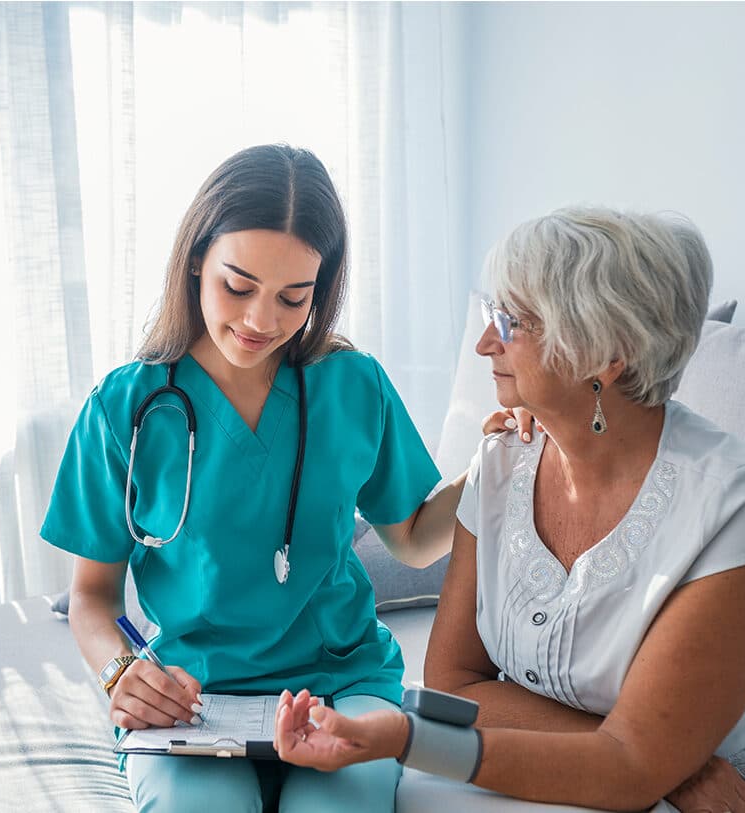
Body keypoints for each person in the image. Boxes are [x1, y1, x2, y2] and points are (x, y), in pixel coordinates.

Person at [40, 144, 527, 812]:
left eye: (294, 297)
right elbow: (93, 595)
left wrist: (489, 464)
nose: (260, 321)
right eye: (237, 287)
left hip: (340, 678)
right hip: (196, 690)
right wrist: (120, 670)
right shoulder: (124, 408)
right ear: (194, 263)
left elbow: (413, 538)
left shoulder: (352, 386)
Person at [274, 207, 745, 812]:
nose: (484, 343)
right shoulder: (503, 462)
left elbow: (628, 771)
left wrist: (409, 739)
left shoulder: (731, 508)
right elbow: (454, 684)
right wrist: (674, 764)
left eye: (512, 322)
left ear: (608, 353)